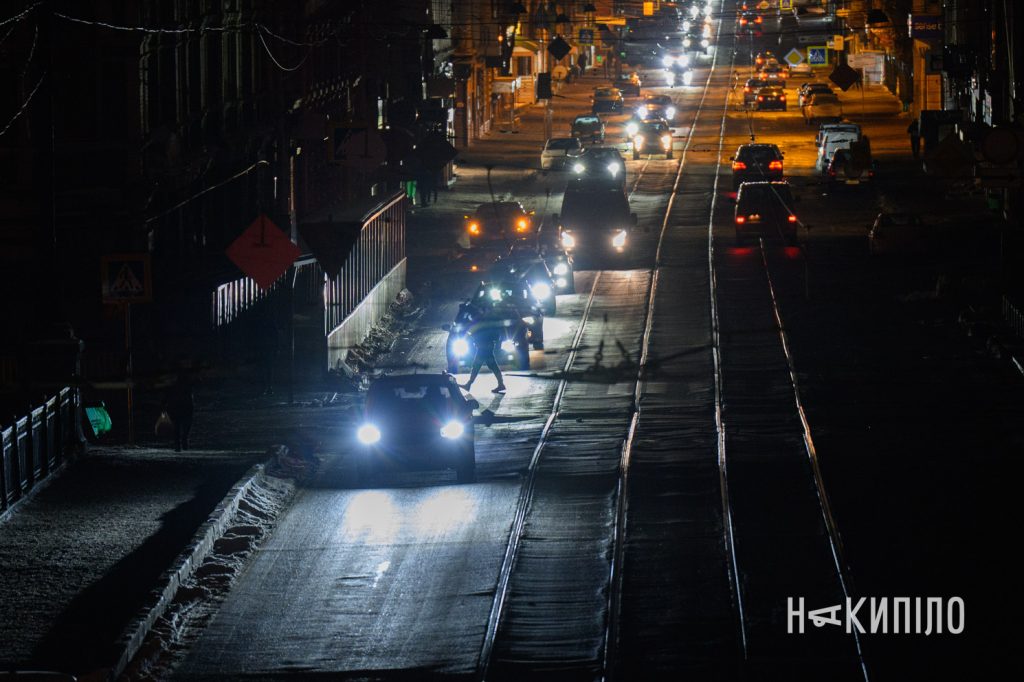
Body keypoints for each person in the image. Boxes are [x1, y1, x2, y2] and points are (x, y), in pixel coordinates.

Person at [459, 311, 506, 394]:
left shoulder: (482, 322)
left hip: (484, 347)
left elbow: (481, 334)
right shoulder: (481, 321)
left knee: (479, 366)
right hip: (484, 347)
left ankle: (469, 384)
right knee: (488, 366)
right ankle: (500, 384)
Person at [164, 368, 195, 451]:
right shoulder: (188, 386)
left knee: (176, 428)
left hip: (175, 409)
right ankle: (184, 440)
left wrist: (164, 407)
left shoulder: (172, 386)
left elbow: (166, 397)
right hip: (186, 408)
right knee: (186, 427)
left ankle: (178, 445)